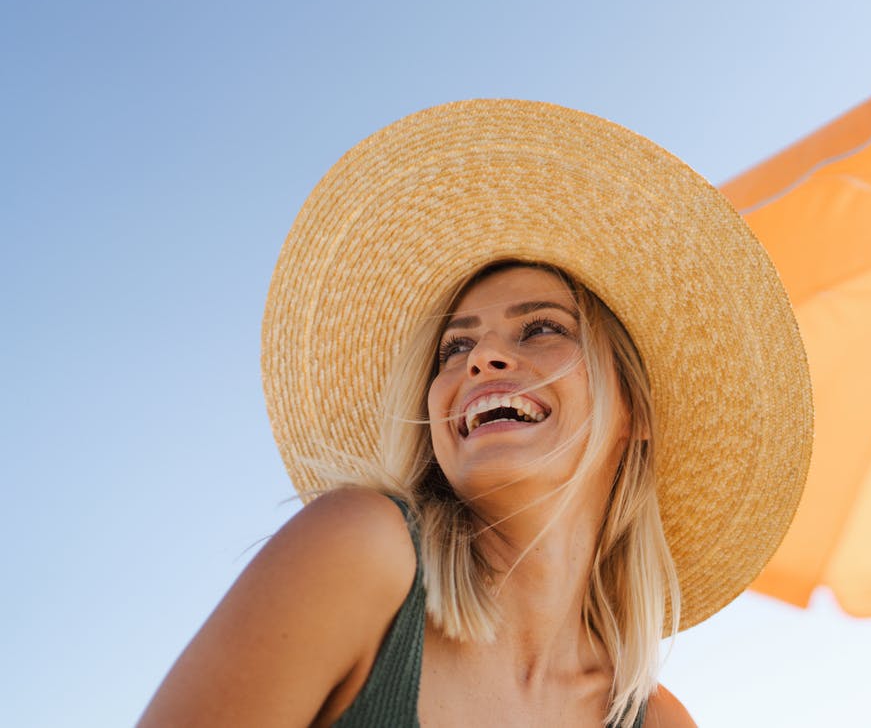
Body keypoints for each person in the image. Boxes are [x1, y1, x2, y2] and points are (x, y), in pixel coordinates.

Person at [139, 100, 812, 727]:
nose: (482, 358)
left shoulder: (656, 720)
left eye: (541, 329)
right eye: (455, 345)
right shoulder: (360, 550)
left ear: (633, 411)